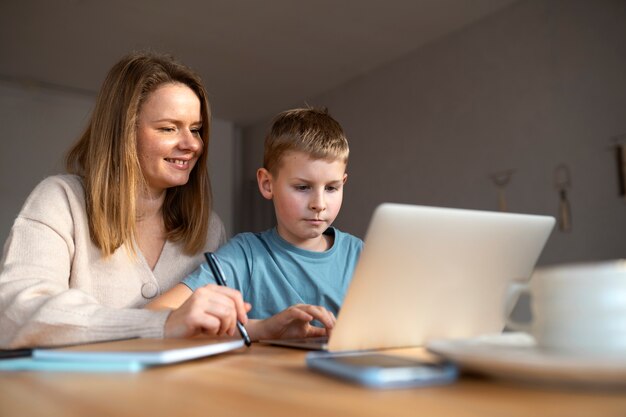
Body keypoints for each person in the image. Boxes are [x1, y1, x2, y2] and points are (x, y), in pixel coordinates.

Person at [0, 52, 249, 349]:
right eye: (169, 128)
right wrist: (160, 323)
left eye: (195, 129)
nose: (192, 144)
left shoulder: (209, 228)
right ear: (124, 133)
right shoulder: (60, 200)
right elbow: (14, 315)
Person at [147, 107, 364, 341]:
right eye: (302, 187)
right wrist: (261, 328)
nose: (319, 204)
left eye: (331, 188)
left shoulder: (362, 256)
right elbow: (155, 315)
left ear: (343, 183)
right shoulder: (243, 255)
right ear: (267, 184)